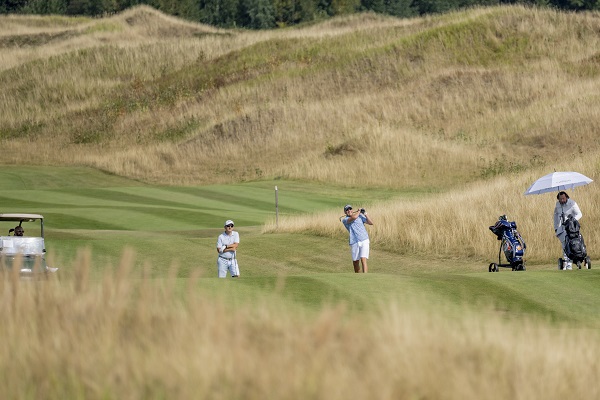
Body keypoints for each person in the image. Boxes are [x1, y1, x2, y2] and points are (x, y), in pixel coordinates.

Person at [553, 191, 582, 270]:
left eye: (563, 198)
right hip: (561, 228)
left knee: (572, 243)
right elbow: (555, 216)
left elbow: (579, 214)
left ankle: (571, 261)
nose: (562, 200)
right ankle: (567, 262)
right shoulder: (557, 204)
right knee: (564, 245)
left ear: (566, 197)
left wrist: (572, 220)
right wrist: (555, 227)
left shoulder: (572, 203)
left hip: (571, 228)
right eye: (560, 199)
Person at [341, 204, 373, 273]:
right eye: (347, 210)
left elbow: (371, 222)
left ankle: (365, 277)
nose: (349, 210)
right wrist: (359, 211)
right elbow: (353, 218)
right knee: (355, 262)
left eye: (350, 209)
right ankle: (358, 277)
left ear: (352, 210)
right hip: (354, 241)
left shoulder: (360, 216)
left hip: (364, 239)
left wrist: (365, 213)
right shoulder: (345, 220)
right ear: (345, 212)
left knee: (363, 259)